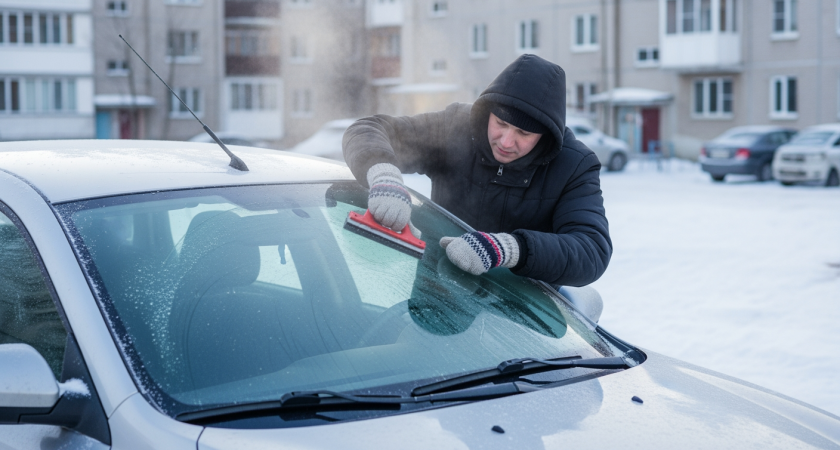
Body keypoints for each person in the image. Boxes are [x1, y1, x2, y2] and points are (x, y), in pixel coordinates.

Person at [342, 54, 611, 287]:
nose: (506, 141)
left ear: (546, 135)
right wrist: (383, 173)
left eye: (524, 133)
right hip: (438, 296)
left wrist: (508, 249)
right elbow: (367, 129)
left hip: (526, 318)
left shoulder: (574, 166)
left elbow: (591, 251)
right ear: (488, 113)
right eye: (501, 123)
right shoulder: (455, 129)